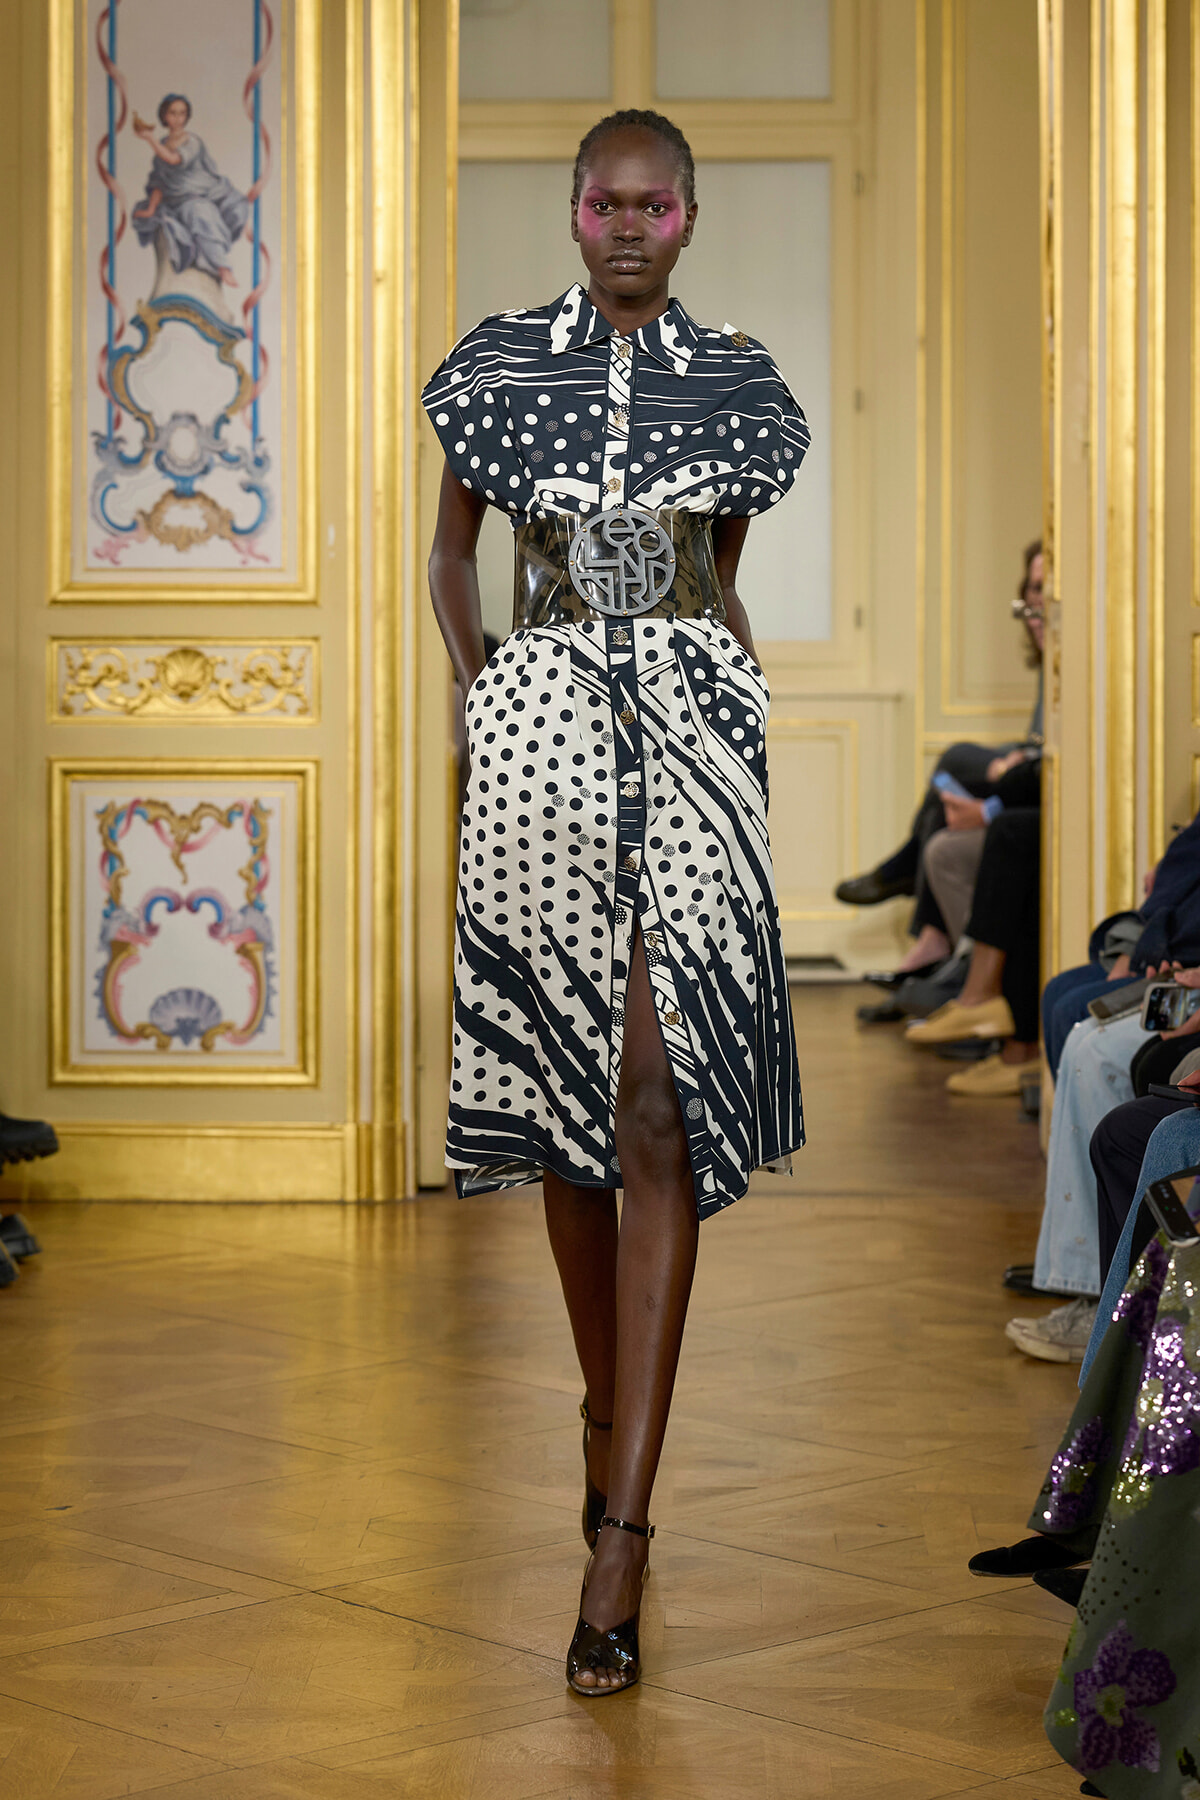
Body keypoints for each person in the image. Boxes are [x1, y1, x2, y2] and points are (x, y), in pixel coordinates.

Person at [422, 110, 807, 1697]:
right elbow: (451, 558)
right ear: (573, 214)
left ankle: (621, 1534)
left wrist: (694, 684)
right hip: (536, 742)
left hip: (700, 735)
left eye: (658, 204)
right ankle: (605, 1414)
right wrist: (482, 697)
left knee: (657, 1103)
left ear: (691, 218)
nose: (632, 224)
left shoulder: (743, 382)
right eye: (608, 203)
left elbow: (715, 566)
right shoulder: (497, 369)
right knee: (562, 1113)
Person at [837, 543, 1044, 978]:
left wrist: (996, 798)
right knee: (949, 784)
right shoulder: (1051, 662)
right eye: (1032, 590)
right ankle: (936, 955)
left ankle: (929, 940)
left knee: (951, 775)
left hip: (1035, 785)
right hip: (1031, 773)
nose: (1037, 603)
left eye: (1047, 590)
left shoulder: (1079, 661)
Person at [133, 95, 248, 290]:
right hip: (177, 201)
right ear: (164, 116)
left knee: (202, 212)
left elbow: (173, 159)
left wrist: (149, 139)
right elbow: (159, 182)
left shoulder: (192, 141)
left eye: (182, 113)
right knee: (193, 214)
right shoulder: (161, 143)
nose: (178, 118)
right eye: (173, 113)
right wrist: (151, 209)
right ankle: (213, 264)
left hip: (202, 193)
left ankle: (222, 266)